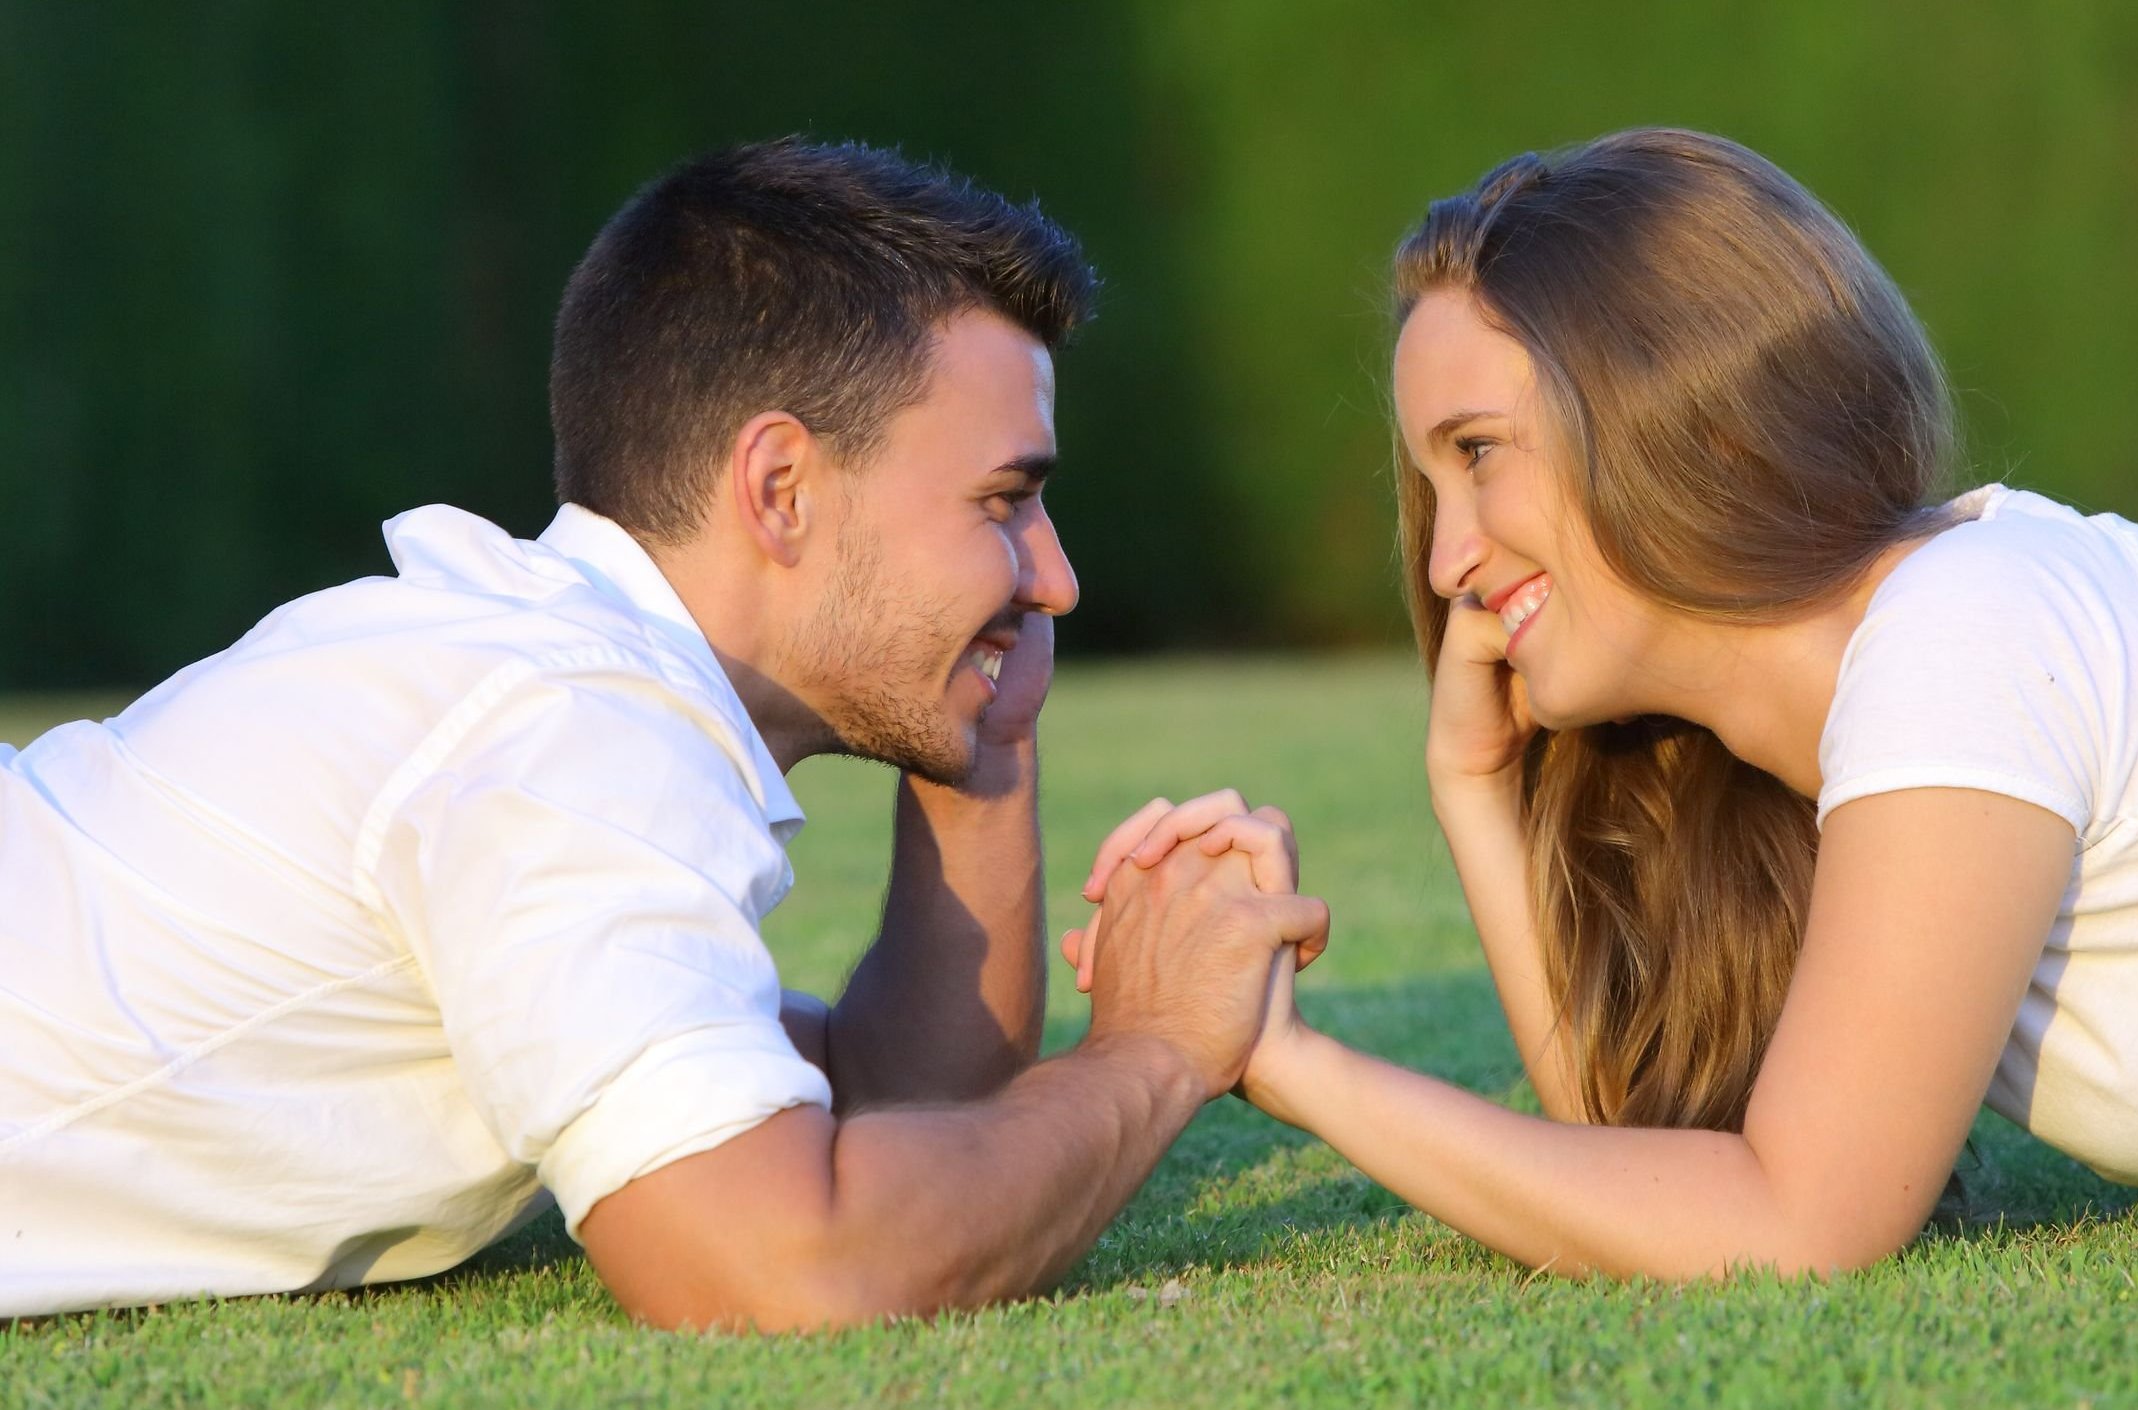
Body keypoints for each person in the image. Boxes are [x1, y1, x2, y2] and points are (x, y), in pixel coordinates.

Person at [1080, 128, 2138, 1278]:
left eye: (1481, 454)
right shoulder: (1837, 729)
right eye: (1428, 487)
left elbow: (1793, 1224)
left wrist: (1283, 1056)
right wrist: (1472, 787)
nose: (1449, 559)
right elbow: (1632, 1165)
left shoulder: (1969, 629)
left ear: (1668, 414)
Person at [0, 138, 1324, 1327]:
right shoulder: (575, 727)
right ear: (780, 489)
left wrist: (987, 739)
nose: (1057, 575)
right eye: (1004, 501)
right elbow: (787, 1262)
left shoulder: (551, 667)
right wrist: (1157, 1046)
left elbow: (895, 1099)